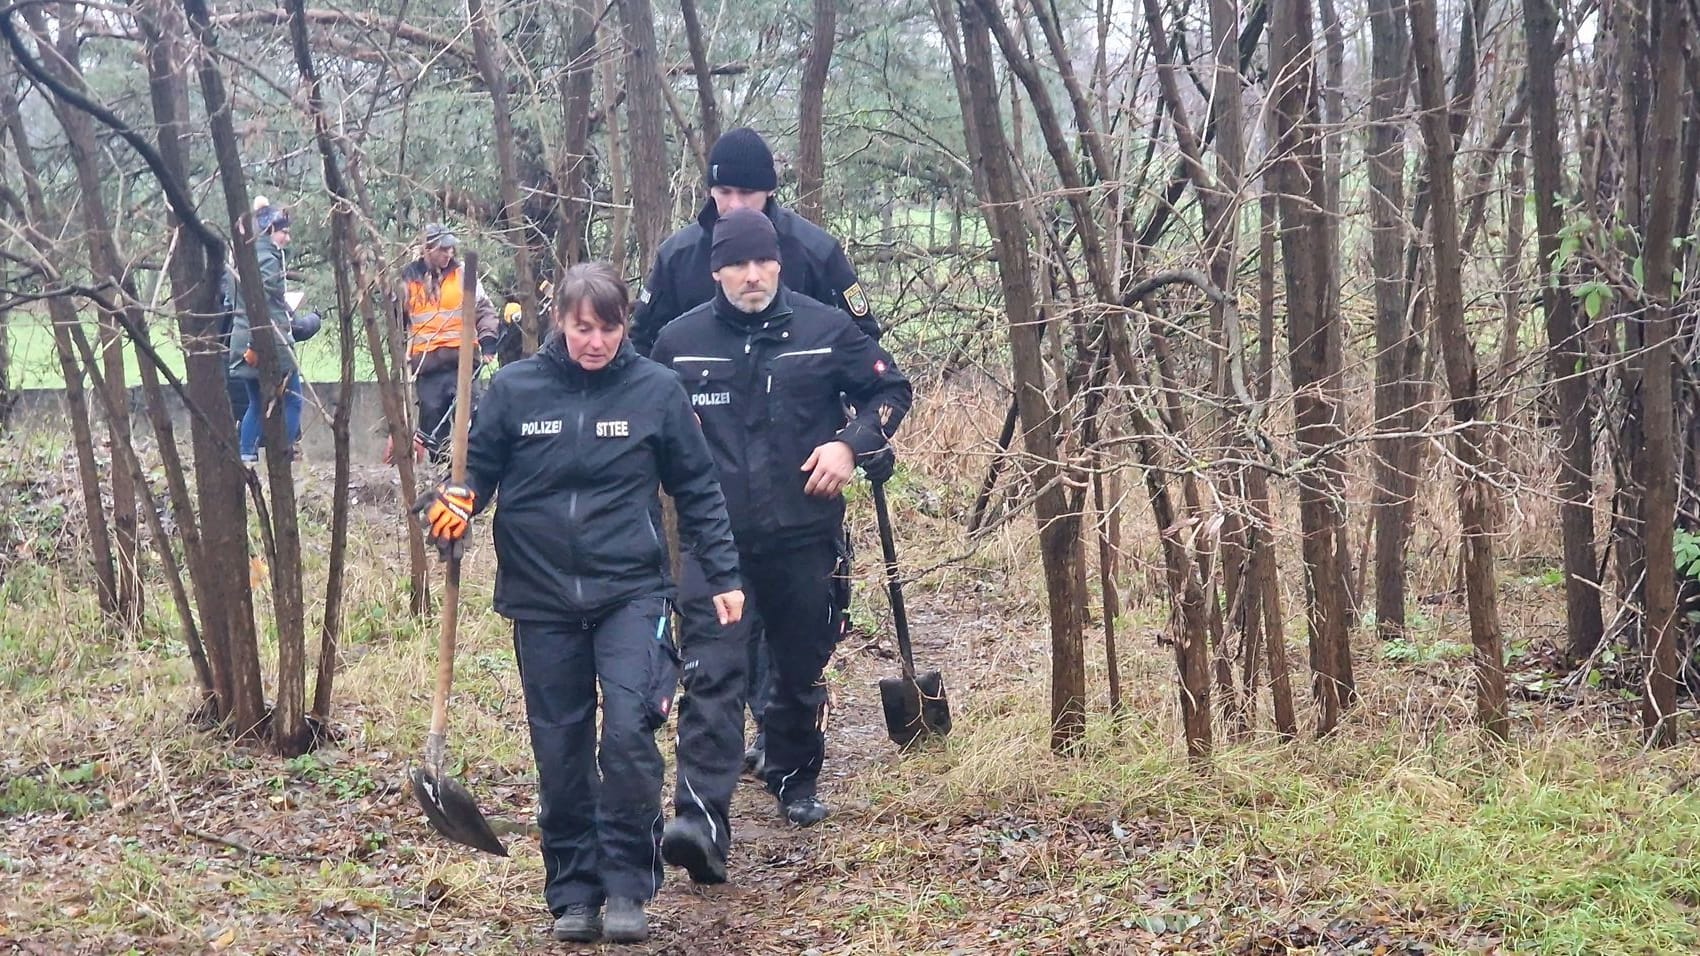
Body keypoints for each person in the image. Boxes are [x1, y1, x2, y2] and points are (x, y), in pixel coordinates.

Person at [415, 262, 745, 944]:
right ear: (560, 322)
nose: (594, 341)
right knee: (560, 752)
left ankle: (627, 883)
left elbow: (700, 489)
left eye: (608, 327)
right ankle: (573, 890)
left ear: (625, 325)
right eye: (581, 327)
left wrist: (724, 575)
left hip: (631, 591)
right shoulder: (513, 389)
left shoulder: (656, 391)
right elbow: (475, 473)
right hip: (540, 599)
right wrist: (455, 503)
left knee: (627, 735)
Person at [650, 209, 911, 883]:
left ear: (780, 265)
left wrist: (850, 445)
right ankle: (701, 820)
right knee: (711, 674)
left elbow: (889, 388)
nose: (753, 275)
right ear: (715, 271)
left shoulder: (826, 331)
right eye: (738, 264)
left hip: (805, 534)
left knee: (798, 666)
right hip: (716, 544)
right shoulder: (680, 344)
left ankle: (795, 776)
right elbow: (645, 425)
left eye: (764, 262)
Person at [630, 126, 888, 779]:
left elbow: (866, 351)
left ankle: (788, 737)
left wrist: (859, 440)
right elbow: (640, 349)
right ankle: (733, 734)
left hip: (800, 462)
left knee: (800, 624)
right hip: (707, 466)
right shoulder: (680, 257)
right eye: (723, 191)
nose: (735, 203)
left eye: (747, 191)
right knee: (719, 621)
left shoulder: (813, 251)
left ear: (770, 193)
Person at [393, 223, 499, 463]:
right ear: (427, 249)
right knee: (432, 421)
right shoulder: (407, 281)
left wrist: (488, 340)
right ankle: (441, 470)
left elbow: (484, 311)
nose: (449, 254)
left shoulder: (463, 274)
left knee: (471, 415)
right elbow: (396, 321)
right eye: (443, 249)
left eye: (451, 249)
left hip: (462, 362)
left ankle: (470, 465)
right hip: (427, 365)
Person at [226, 200, 302, 464]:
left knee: (256, 405)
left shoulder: (240, 257)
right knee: (293, 401)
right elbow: (271, 297)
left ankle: (247, 455)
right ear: (270, 230)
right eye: (284, 231)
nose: (287, 237)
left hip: (242, 340)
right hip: (269, 342)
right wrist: (294, 318)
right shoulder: (266, 258)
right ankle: (284, 455)